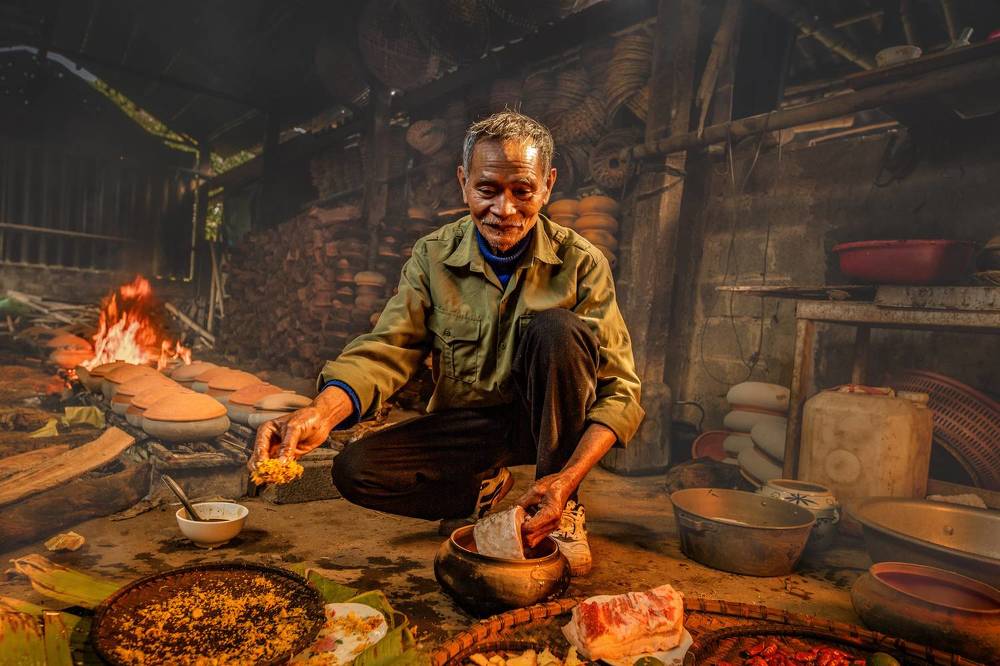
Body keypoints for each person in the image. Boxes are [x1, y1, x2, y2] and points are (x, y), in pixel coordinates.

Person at [251, 111, 643, 576]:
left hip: (546, 424)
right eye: (486, 190)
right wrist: (323, 411)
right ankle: (478, 490)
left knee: (556, 329)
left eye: (522, 191)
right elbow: (389, 347)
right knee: (354, 470)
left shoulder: (581, 262)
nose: (504, 209)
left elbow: (621, 391)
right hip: (468, 426)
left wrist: (568, 477)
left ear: (548, 185)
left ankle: (560, 506)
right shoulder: (433, 256)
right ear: (463, 183)